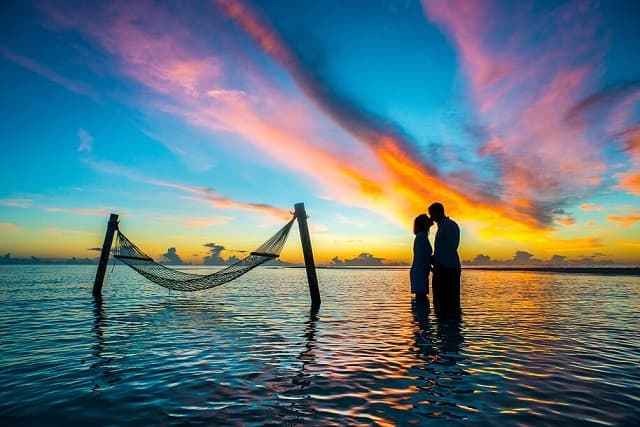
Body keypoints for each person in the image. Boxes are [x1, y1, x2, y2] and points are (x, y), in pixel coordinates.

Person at [428, 202, 461, 308]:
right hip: (448, 268)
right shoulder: (446, 226)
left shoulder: (447, 226)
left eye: (431, 214)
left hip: (446, 270)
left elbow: (446, 250)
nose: (431, 218)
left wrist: (434, 263)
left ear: (438, 212)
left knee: (444, 302)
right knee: (449, 302)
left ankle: (447, 323)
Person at [410, 213, 433, 301]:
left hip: (421, 271)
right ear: (423, 223)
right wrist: (432, 268)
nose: (429, 220)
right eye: (427, 219)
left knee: (421, 300)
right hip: (420, 272)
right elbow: (423, 257)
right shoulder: (421, 237)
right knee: (421, 301)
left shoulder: (421, 236)